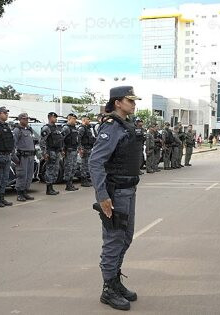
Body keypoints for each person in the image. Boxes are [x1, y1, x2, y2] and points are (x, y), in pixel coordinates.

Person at [89, 86, 142, 311]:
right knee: (113, 240)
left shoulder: (126, 126)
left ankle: (115, 280)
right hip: (116, 192)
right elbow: (95, 162)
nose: (134, 104)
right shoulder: (110, 127)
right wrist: (102, 196)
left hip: (129, 190)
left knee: (126, 237)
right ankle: (108, 288)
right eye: (129, 100)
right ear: (117, 103)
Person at [12, 113, 36, 201]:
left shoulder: (29, 130)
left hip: (30, 156)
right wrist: (14, 158)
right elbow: (13, 145)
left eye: (27, 119)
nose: (26, 120)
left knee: (29, 175)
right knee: (22, 175)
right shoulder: (17, 130)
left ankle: (25, 191)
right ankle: (19, 193)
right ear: (20, 119)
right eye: (24, 119)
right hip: (22, 157)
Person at [40, 112, 63, 195]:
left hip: (56, 151)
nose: (55, 119)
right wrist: (44, 153)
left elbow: (59, 140)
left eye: (56, 117)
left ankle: (52, 187)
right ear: (50, 118)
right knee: (50, 169)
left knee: (55, 170)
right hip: (50, 151)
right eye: (54, 117)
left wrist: (61, 150)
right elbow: (42, 141)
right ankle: (48, 188)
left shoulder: (56, 128)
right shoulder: (46, 128)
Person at [61, 113, 80, 191]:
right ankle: (68, 185)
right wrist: (62, 150)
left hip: (74, 150)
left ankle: (71, 183)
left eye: (75, 119)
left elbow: (76, 139)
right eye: (73, 119)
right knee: (68, 167)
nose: (75, 120)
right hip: (68, 151)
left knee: (73, 167)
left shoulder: (74, 128)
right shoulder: (66, 128)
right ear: (69, 119)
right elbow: (61, 139)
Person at [78, 115, 95, 187]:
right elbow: (78, 139)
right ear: (84, 120)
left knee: (88, 164)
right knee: (84, 165)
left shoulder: (88, 128)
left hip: (89, 148)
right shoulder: (81, 128)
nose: (89, 121)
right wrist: (80, 148)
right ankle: (83, 180)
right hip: (84, 148)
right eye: (88, 119)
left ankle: (87, 178)